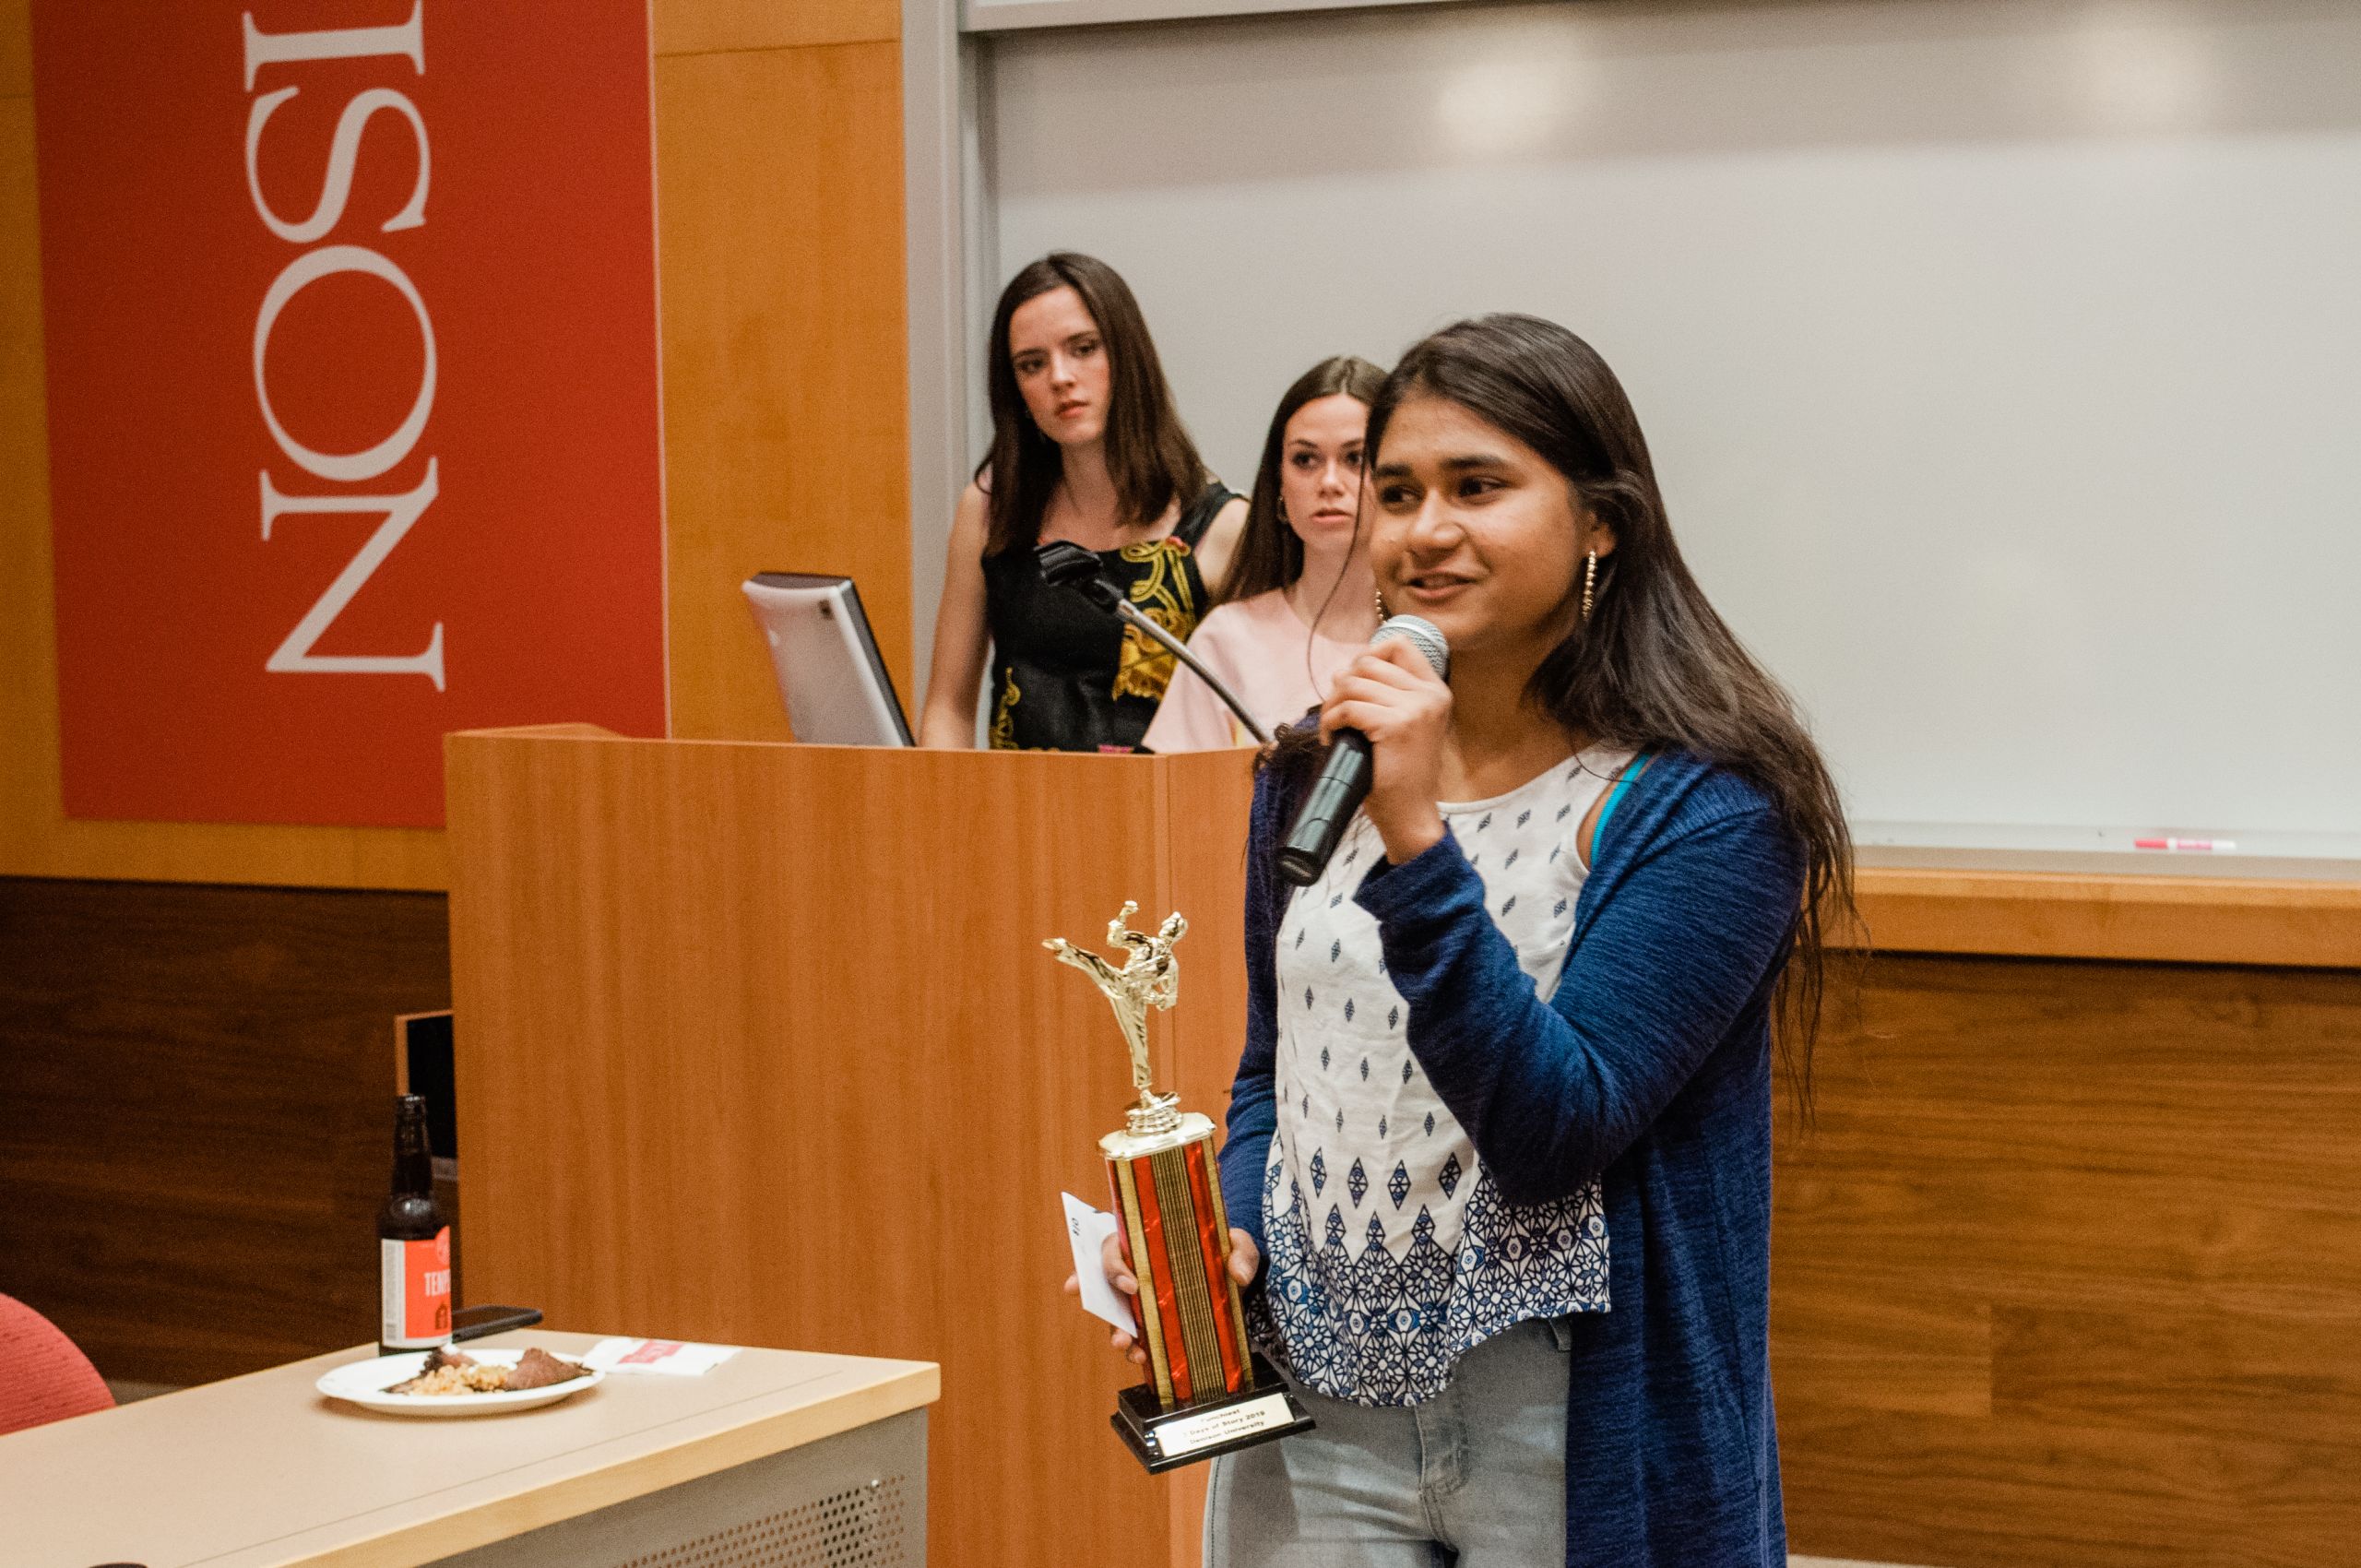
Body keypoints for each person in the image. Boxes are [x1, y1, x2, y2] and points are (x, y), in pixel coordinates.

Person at [1077, 315, 1852, 1566]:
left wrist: (1415, 837)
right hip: (1313, 1411)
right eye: (1397, 493)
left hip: (1562, 1410)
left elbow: (1553, 1129)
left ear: (1601, 522)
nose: (1423, 530)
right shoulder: (1313, 770)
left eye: (1478, 487)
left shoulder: (1704, 809)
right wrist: (1227, 1233)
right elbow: (1278, 1068)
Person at [919, 253, 1247, 752]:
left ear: (1127, 356)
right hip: (1014, 799)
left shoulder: (1222, 524)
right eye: (1032, 364)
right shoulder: (989, 512)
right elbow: (948, 709)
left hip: (1162, 799)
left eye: (1083, 349)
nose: (1060, 377)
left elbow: (1248, 726)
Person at [1141, 356, 1386, 753]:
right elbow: (1176, 789)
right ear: (1279, 486)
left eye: (1355, 459)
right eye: (1305, 460)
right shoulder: (1228, 638)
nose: (1328, 482)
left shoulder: (1437, 634)